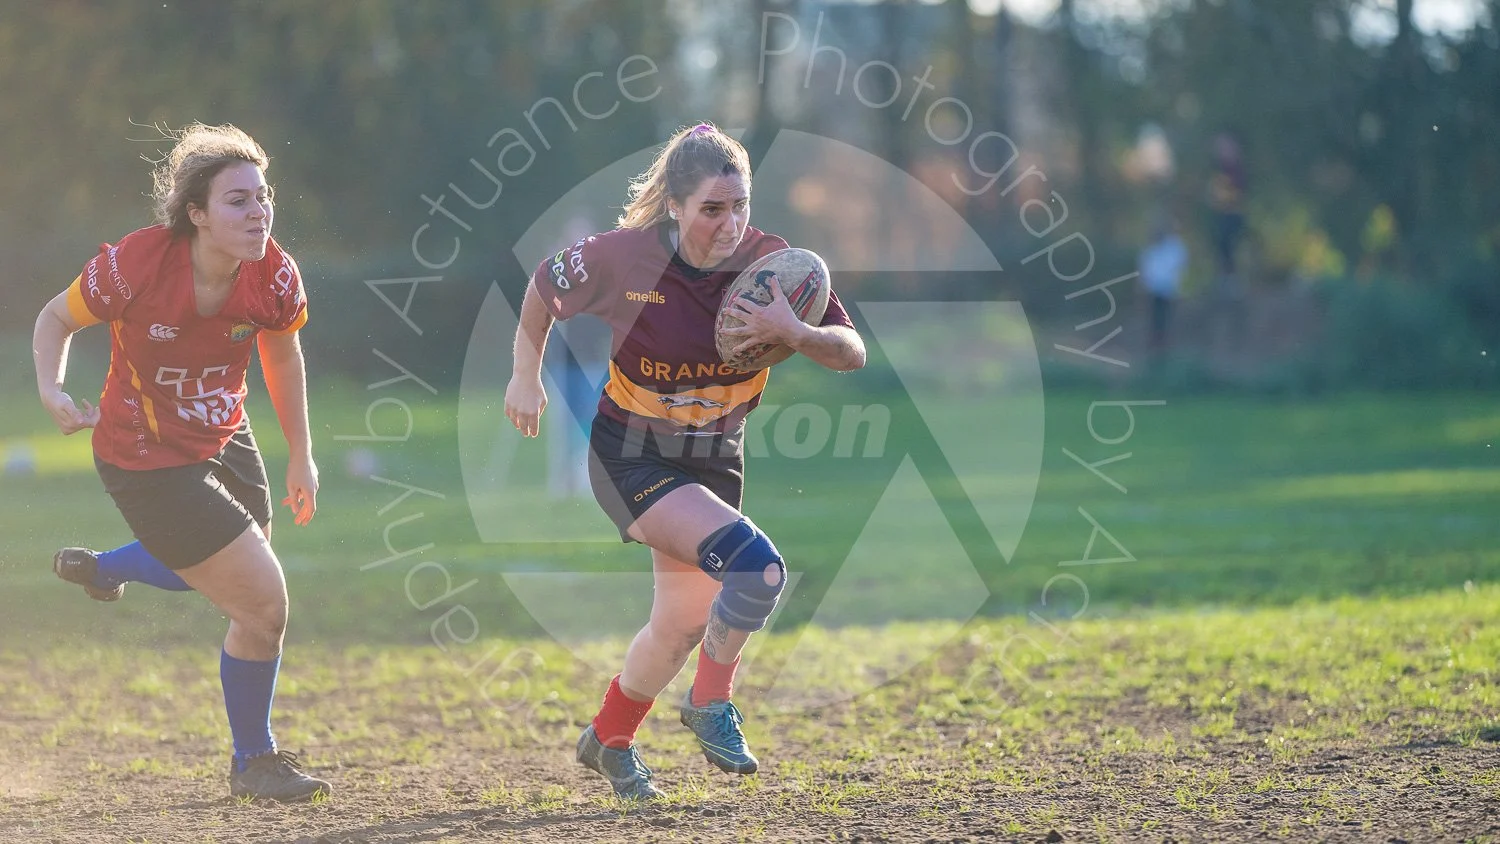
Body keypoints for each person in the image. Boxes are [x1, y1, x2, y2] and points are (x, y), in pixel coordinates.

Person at [504, 122, 866, 801]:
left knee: (679, 625)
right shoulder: (624, 258)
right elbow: (543, 289)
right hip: (631, 456)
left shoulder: (775, 267)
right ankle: (709, 703)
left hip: (713, 461)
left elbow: (851, 351)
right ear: (674, 204)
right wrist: (525, 375)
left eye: (740, 206)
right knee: (758, 570)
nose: (730, 224)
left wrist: (796, 332)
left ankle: (608, 740)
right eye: (711, 209)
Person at [31, 123, 330, 802]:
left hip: (225, 436)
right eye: (237, 201)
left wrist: (302, 456)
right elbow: (55, 318)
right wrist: (51, 388)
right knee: (262, 601)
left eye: (263, 197)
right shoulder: (137, 264)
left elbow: (282, 353)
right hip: (142, 456)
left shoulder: (274, 274)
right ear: (196, 214)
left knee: (236, 586)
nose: (258, 213)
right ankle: (255, 761)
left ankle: (105, 568)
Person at [1137, 214, 1188, 357]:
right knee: (1154, 322)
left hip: (1168, 292)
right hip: (1154, 291)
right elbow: (1145, 270)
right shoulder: (1151, 249)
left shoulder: (1173, 247)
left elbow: (1179, 268)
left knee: (1165, 321)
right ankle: (1154, 350)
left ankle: (1164, 350)